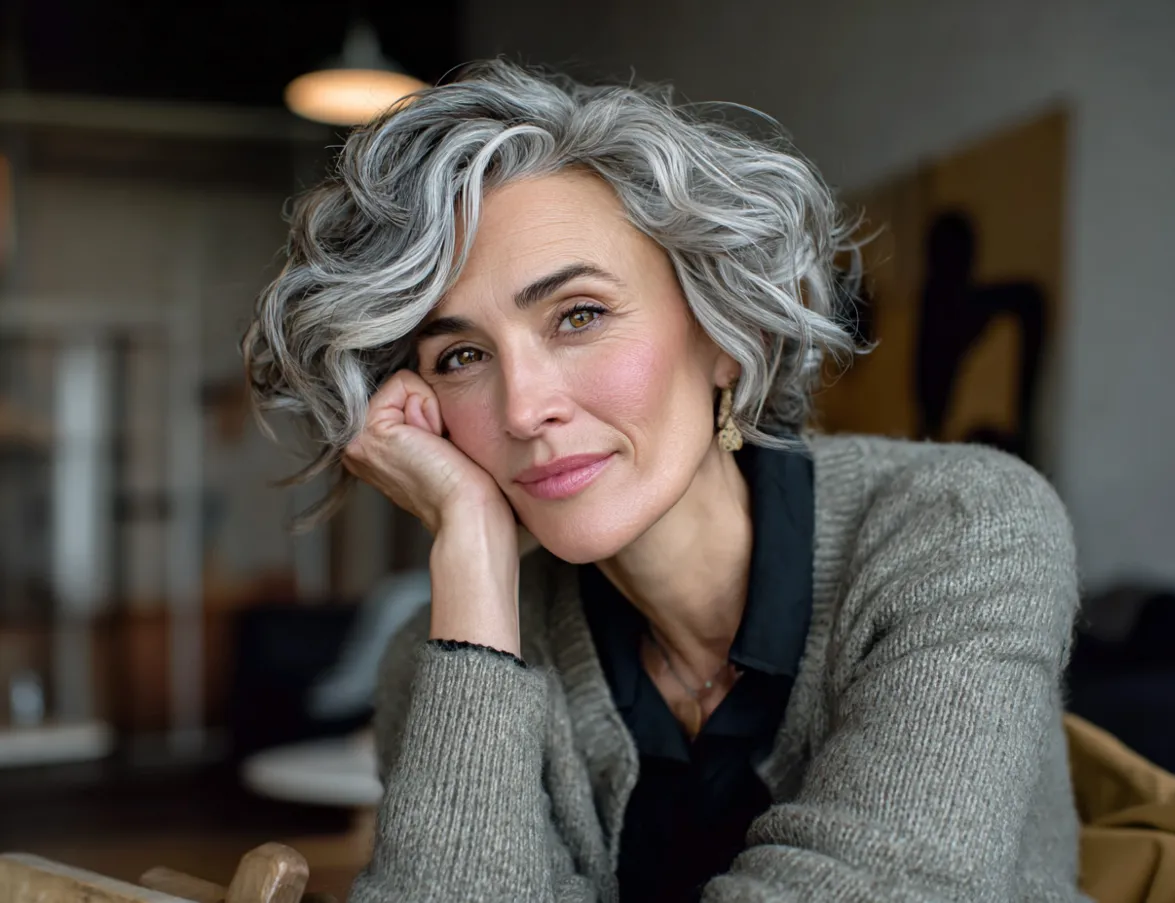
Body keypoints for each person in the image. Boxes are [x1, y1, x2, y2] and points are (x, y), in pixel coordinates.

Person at [243, 61, 1085, 903]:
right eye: (461, 356)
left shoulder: (960, 528)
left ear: (727, 328)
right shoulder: (454, 652)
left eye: (579, 315)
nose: (526, 406)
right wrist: (471, 541)